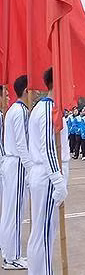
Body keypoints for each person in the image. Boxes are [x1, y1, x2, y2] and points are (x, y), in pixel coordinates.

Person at [27, 68, 69, 275]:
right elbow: (48, 148)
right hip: (46, 176)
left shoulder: (50, 108)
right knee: (42, 233)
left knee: (44, 233)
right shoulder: (46, 109)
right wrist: (58, 180)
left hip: (45, 175)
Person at [0, 76, 31, 270]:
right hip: (17, 163)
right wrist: (30, 167)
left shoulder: (14, 110)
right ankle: (12, 257)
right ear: (26, 91)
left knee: (10, 210)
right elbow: (21, 144)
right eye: (33, 90)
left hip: (12, 162)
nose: (35, 94)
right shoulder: (20, 111)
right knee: (16, 211)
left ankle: (7, 250)